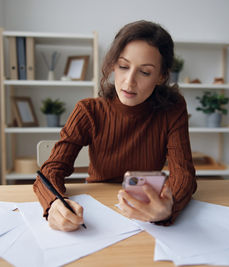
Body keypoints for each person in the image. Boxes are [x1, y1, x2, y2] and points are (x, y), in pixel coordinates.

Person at [33, 20, 197, 232]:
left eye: (145, 72)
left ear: (161, 76)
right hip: (98, 214)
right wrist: (54, 203)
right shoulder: (88, 111)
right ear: (113, 64)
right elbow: (51, 170)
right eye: (123, 66)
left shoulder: (172, 109)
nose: (129, 82)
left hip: (145, 215)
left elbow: (184, 175)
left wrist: (170, 206)